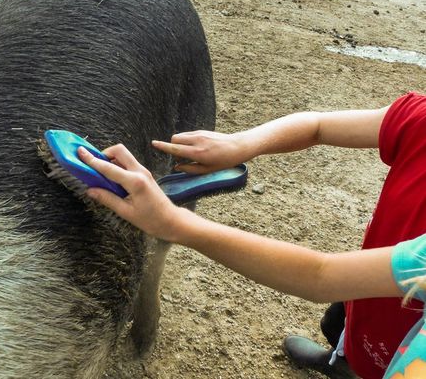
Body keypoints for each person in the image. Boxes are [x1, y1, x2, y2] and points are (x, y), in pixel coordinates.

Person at [77, 91, 426, 379]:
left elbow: (322, 276)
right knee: (345, 323)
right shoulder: (420, 119)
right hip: (372, 300)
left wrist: (172, 223)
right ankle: (343, 360)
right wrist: (243, 143)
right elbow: (317, 125)